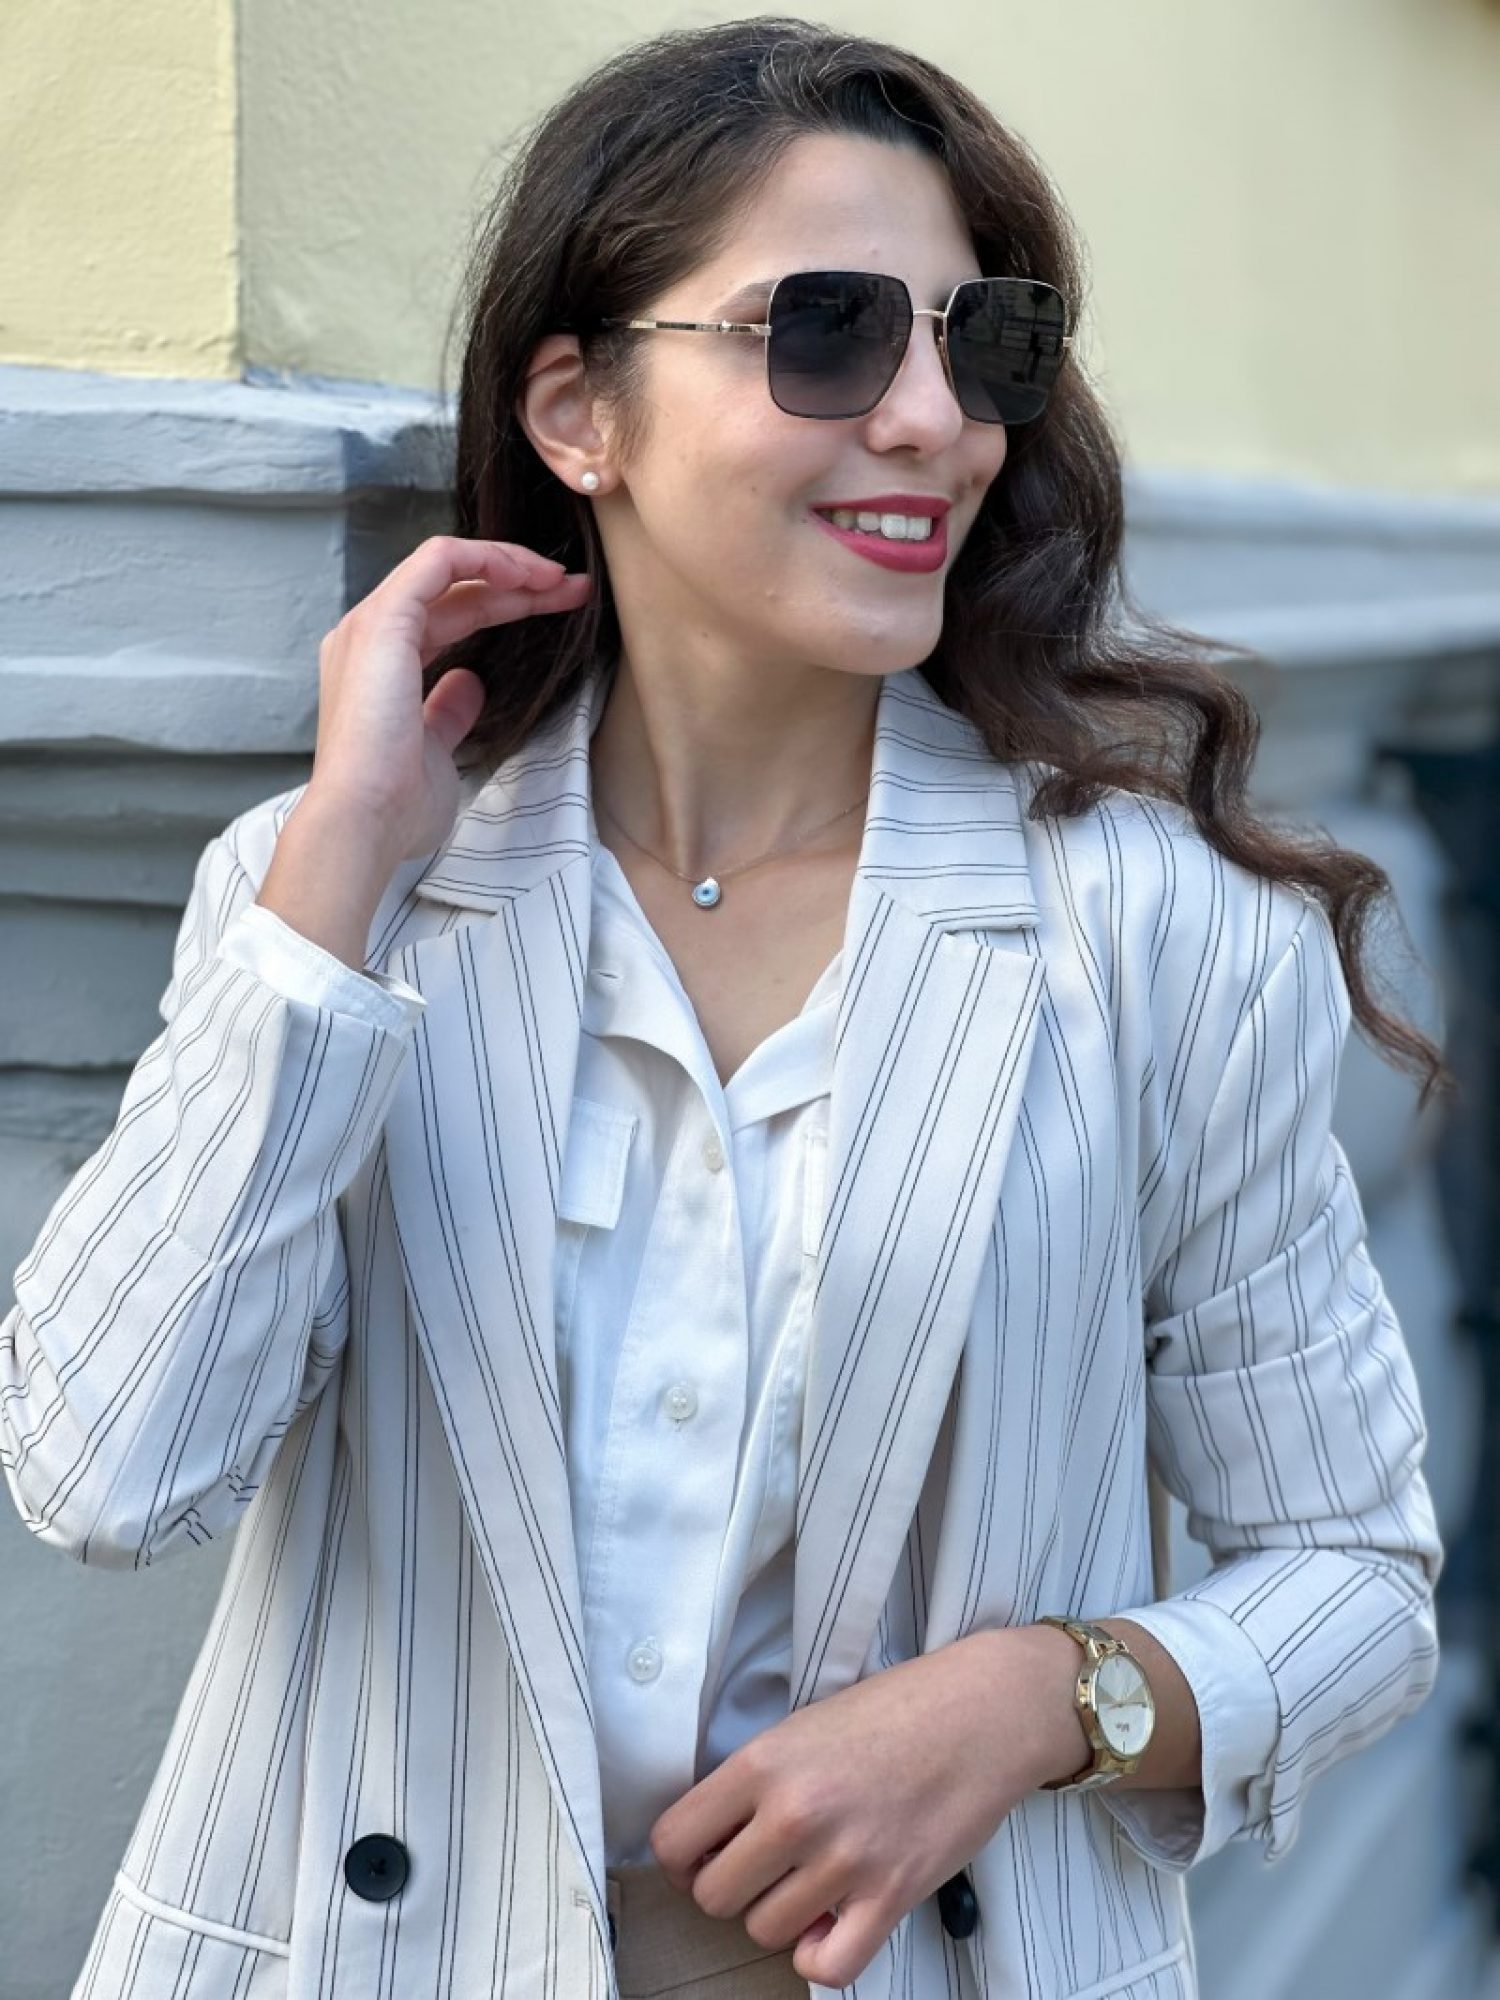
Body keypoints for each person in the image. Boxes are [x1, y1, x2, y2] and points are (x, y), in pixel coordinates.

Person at [2, 17, 1445, 2000]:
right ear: (578, 412)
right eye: (825, 332)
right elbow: (104, 1471)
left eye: (986, 342)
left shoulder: (1159, 929)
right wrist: (336, 879)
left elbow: (1358, 1576)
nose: (932, 419)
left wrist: (1037, 1699)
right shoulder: (337, 901)